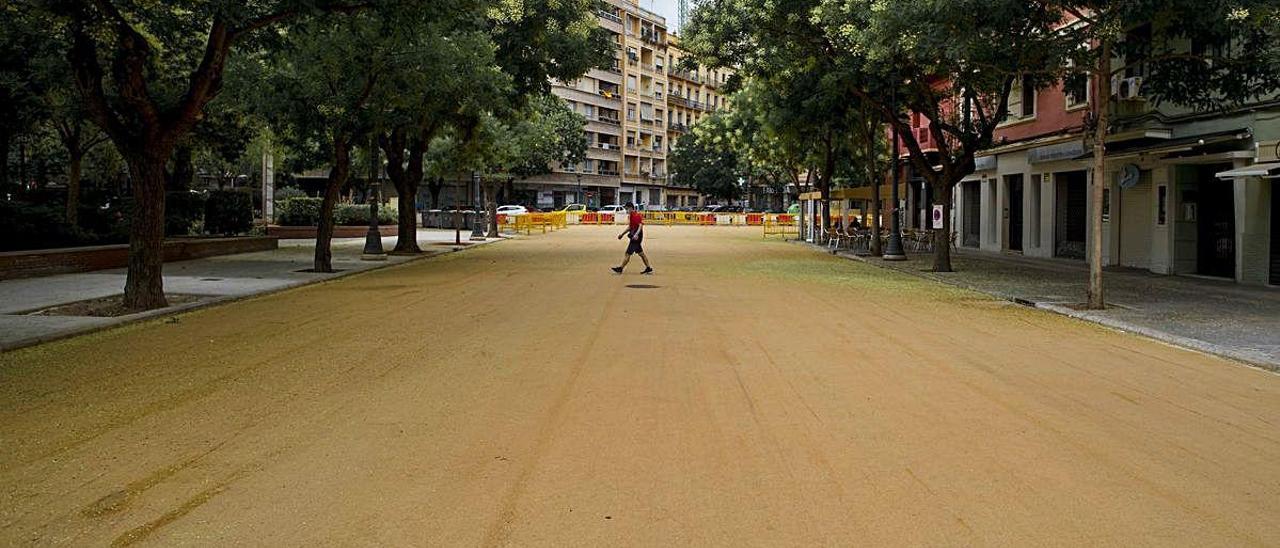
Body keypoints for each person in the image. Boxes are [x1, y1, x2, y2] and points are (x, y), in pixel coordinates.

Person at [612, 202, 653, 275]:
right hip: (634, 236)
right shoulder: (631, 215)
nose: (626, 210)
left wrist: (636, 235)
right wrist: (622, 234)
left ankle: (620, 268)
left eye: (627, 209)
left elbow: (640, 226)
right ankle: (648, 268)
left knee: (627, 253)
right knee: (641, 254)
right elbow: (630, 227)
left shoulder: (636, 215)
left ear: (631, 208)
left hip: (636, 237)